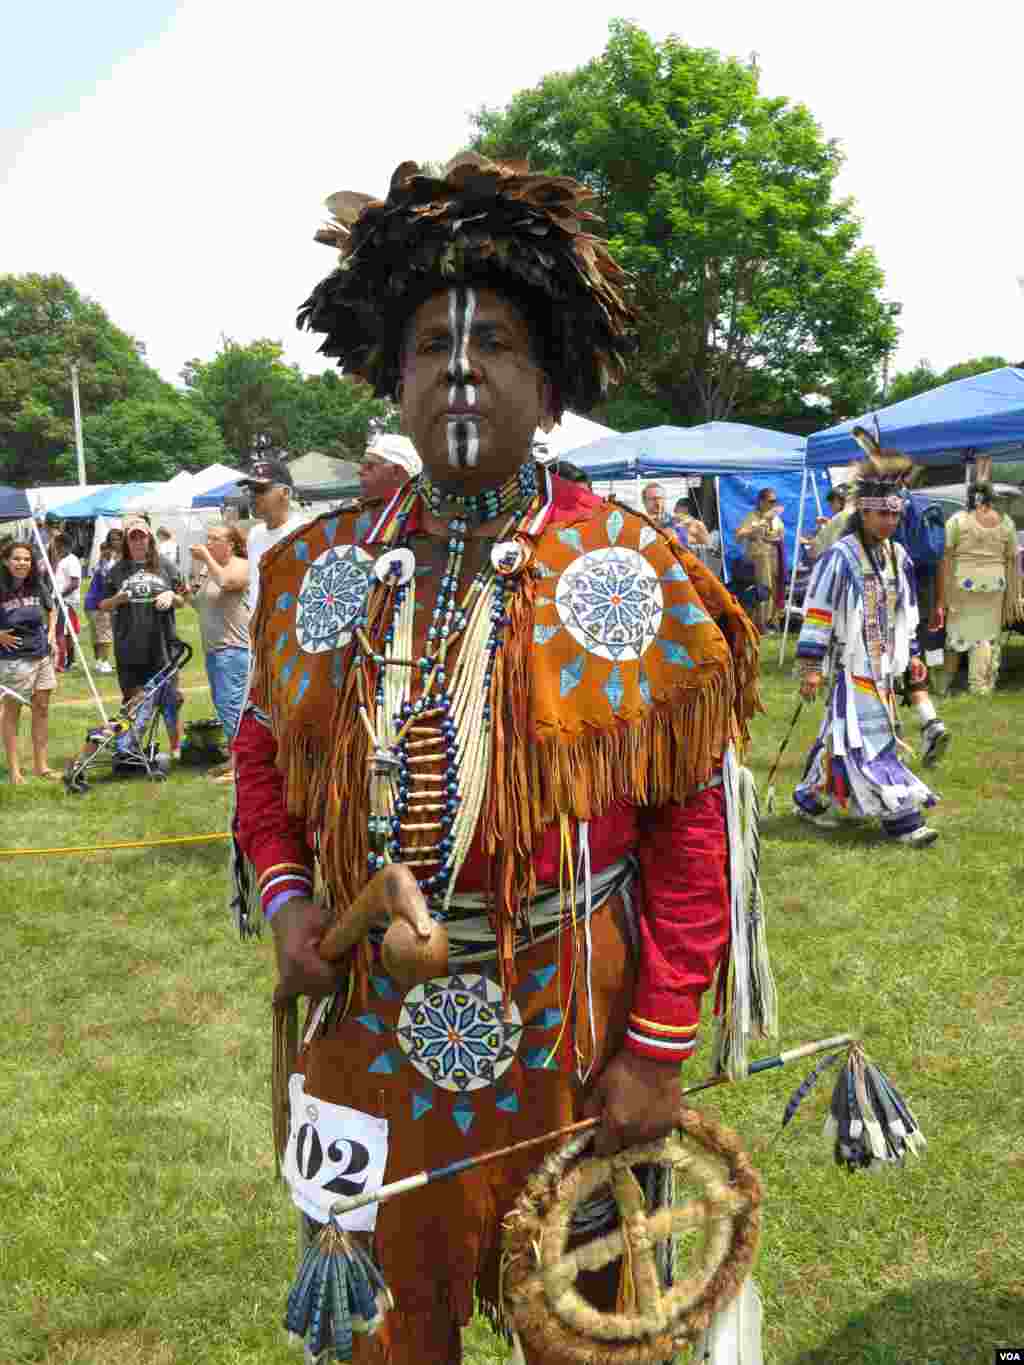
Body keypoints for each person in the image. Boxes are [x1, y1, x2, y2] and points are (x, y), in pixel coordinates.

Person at [233, 153, 762, 1364]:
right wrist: (288, 900)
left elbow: (692, 834)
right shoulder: (314, 574)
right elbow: (265, 763)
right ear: (392, 376)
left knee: (582, 1328)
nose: (460, 365)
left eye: (499, 343)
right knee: (381, 1331)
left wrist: (658, 1046)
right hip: (370, 1016)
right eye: (430, 342)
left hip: (574, 1022)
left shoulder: (635, 573)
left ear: (552, 380)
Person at [793, 445, 941, 847]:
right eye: (882, 513)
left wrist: (911, 656)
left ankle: (809, 797)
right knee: (871, 739)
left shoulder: (898, 556)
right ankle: (903, 820)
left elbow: (904, 613)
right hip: (851, 665)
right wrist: (810, 666)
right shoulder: (840, 557)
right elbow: (819, 612)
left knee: (841, 737)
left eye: (896, 513)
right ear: (863, 512)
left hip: (882, 668)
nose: (890, 521)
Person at [99, 516, 187, 758]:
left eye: (142, 536)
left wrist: (171, 595)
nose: (138, 541)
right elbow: (103, 604)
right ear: (127, 542)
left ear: (150, 539)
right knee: (133, 700)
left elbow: (183, 599)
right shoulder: (116, 571)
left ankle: (176, 748)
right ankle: (129, 748)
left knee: (171, 699)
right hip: (129, 646)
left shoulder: (166, 566)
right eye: (133, 537)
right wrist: (117, 600)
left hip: (163, 644)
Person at [932, 481, 1022, 695]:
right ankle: (981, 685)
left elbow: (945, 556)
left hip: (963, 585)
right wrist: (1015, 594)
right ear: (992, 499)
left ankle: (944, 683)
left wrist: (942, 597)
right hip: (995, 586)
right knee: (987, 636)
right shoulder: (1006, 522)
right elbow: (1013, 557)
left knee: (956, 636)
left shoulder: (957, 521)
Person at [186, 521, 250, 780]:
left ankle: (240, 764)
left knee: (232, 706)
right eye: (208, 538)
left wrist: (205, 558)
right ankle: (235, 758)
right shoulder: (208, 569)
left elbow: (225, 582)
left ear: (231, 543)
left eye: (215, 539)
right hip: (215, 651)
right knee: (225, 706)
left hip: (233, 649)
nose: (209, 543)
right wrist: (184, 594)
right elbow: (201, 605)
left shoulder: (240, 565)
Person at [0, 540, 58, 782]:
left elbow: (51, 608)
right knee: (12, 712)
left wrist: (52, 633)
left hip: (41, 654)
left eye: (26, 559)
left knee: (42, 709)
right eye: (16, 558)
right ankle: (14, 771)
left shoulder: (37, 583)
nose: (22, 563)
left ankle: (41, 766)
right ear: (5, 561)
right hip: (13, 659)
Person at [238, 457, 307, 614]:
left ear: (285, 493)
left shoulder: (305, 532)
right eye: (250, 490)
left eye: (260, 489)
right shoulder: (255, 534)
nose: (253, 496)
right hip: (257, 631)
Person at [736, 488, 785, 631]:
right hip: (759, 559)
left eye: (775, 501)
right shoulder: (752, 517)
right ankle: (761, 623)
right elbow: (738, 536)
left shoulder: (776, 518)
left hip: (775, 557)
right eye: (771, 501)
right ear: (761, 501)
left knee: (776, 589)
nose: (773, 504)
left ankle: (774, 621)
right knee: (764, 589)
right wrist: (755, 528)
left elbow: (780, 536)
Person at [83, 528, 122, 674]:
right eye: (113, 540)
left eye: (118, 539)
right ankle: (104, 662)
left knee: (97, 635)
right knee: (105, 634)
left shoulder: (102, 560)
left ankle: (99, 661)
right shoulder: (108, 560)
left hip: (92, 602)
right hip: (100, 603)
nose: (116, 543)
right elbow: (109, 581)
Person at [358, 430, 422, 505]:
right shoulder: (351, 511)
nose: (359, 471)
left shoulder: (417, 514)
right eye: (362, 464)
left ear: (397, 472)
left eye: (369, 466)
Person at [50, 532, 82, 672]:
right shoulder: (62, 560)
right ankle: (69, 661)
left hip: (65, 601)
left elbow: (75, 583)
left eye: (57, 546)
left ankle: (61, 663)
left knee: (59, 632)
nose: (56, 549)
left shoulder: (72, 560)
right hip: (61, 600)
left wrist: (59, 597)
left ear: (64, 546)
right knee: (66, 632)